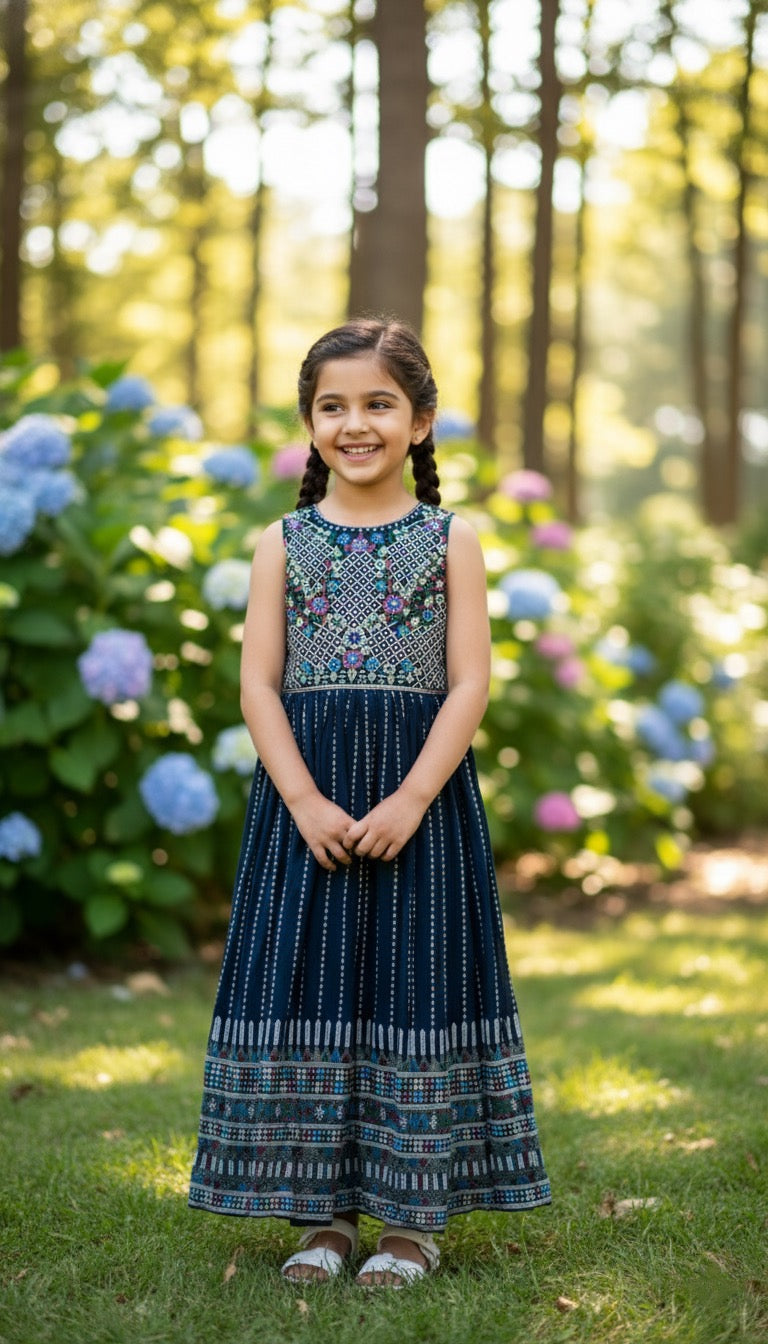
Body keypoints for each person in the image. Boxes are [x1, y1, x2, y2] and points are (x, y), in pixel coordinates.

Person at [188, 317, 551, 1286]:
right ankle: (322, 1219)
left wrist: (413, 797)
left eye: (379, 404)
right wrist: (302, 798)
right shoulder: (283, 542)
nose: (356, 423)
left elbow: (469, 683)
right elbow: (258, 685)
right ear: (309, 426)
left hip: (416, 805)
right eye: (333, 406)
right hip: (304, 807)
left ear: (422, 422)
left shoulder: (450, 539)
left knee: (412, 990)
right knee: (307, 987)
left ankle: (410, 1226)